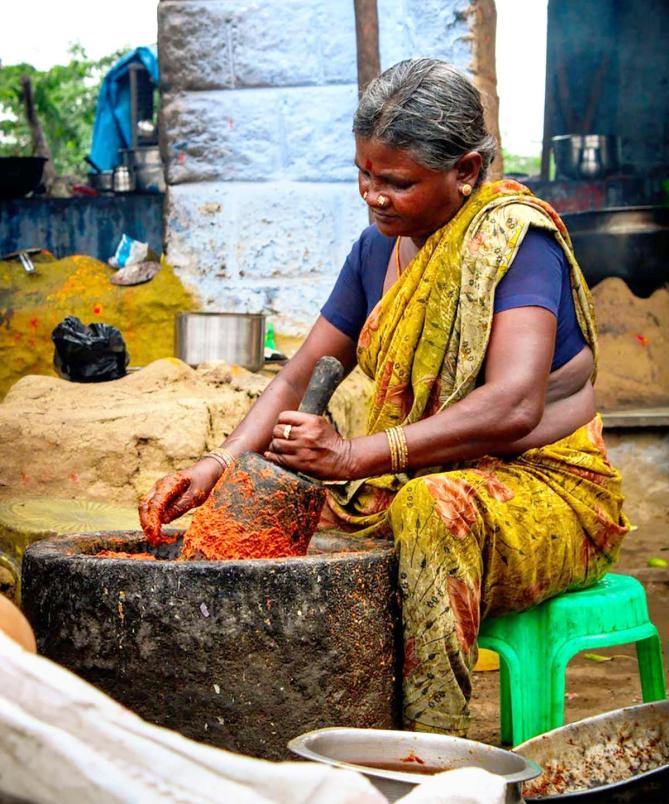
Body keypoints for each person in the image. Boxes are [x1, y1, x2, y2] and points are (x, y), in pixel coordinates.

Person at [140, 59, 629, 737]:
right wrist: (217, 466)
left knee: (431, 508)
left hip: (546, 491)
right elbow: (296, 375)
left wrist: (355, 455)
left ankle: (428, 756)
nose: (373, 195)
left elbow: (514, 404)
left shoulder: (516, 244)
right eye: (364, 175)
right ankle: (303, 734)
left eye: (396, 182)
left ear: (466, 170)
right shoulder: (376, 251)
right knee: (276, 519)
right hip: (414, 476)